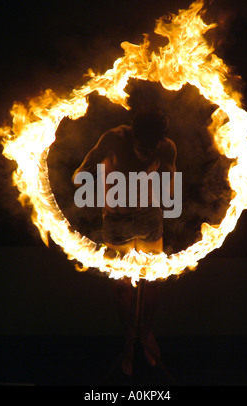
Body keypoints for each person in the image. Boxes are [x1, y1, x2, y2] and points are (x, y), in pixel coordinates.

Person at [72, 110, 177, 376]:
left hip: (148, 217)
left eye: (152, 147)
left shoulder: (166, 148)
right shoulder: (113, 139)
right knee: (121, 284)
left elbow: (171, 187)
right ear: (133, 134)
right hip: (116, 220)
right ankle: (130, 337)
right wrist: (90, 181)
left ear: (161, 140)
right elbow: (80, 173)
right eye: (142, 145)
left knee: (152, 278)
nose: (147, 151)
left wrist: (164, 193)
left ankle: (146, 331)